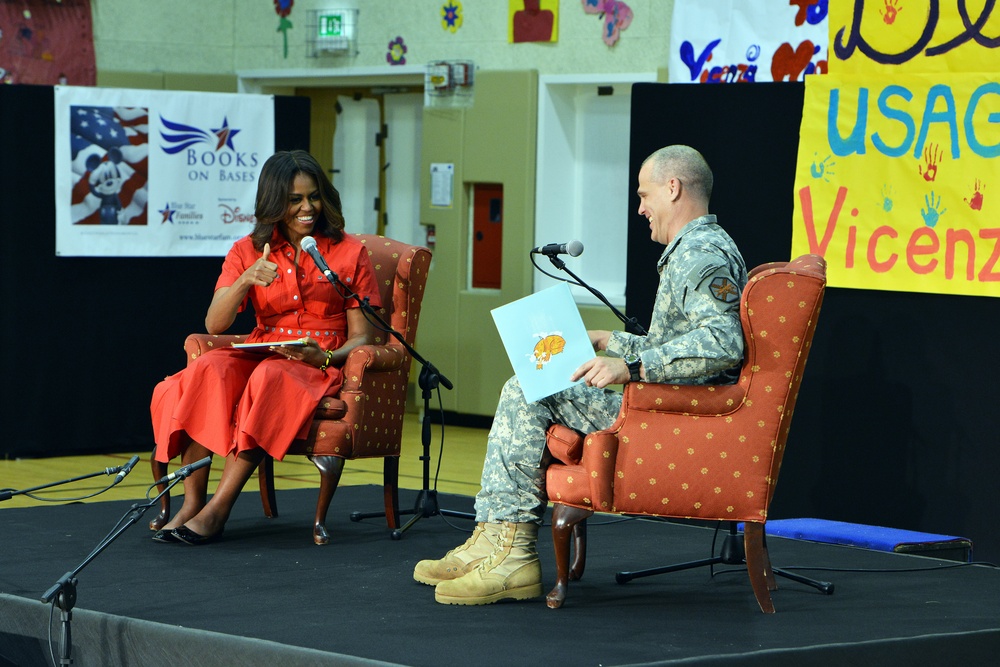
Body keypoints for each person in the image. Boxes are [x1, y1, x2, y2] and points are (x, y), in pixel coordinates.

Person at [414, 145, 748, 605]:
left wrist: (629, 367)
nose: (640, 208)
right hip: (665, 400)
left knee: (528, 388)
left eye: (644, 194)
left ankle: (511, 554)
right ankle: (492, 541)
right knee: (537, 379)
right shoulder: (696, 247)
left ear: (673, 188)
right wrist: (611, 340)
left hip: (670, 413)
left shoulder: (699, 254)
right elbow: (679, 343)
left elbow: (722, 344)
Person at [149, 150, 380, 545]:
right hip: (265, 348)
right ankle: (191, 504)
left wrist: (324, 356)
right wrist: (245, 281)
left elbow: (364, 336)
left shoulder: (347, 252)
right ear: (274, 202)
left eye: (313, 197)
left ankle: (219, 510)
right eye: (294, 200)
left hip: (316, 358)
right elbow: (214, 324)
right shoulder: (247, 249)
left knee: (270, 377)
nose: (307, 207)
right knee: (208, 368)